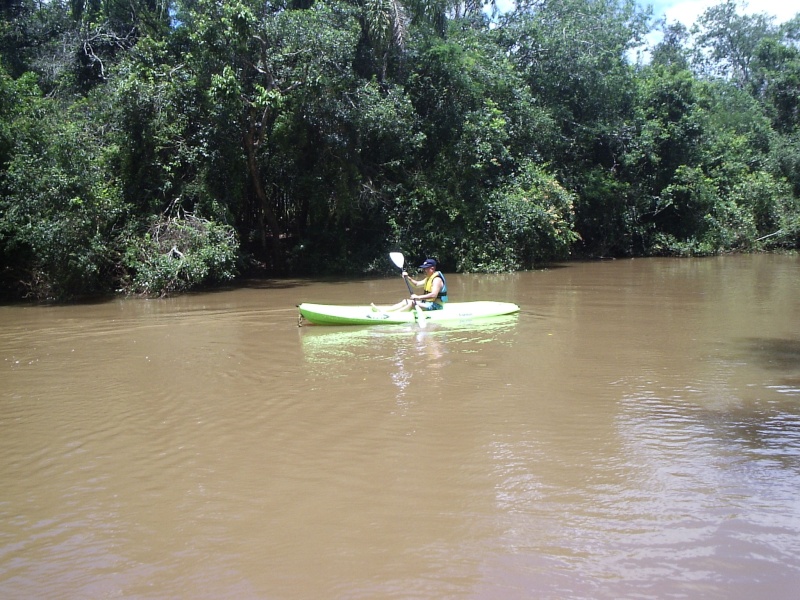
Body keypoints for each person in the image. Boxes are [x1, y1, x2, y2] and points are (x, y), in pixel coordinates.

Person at [380, 258, 448, 312]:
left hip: (436, 306)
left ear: (432, 268)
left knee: (412, 303)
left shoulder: (437, 280)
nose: (424, 270)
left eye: (426, 268)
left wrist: (418, 297)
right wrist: (408, 278)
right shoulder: (429, 278)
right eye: (424, 268)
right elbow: (417, 284)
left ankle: (395, 315)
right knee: (405, 301)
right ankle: (384, 311)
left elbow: (434, 295)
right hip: (427, 303)